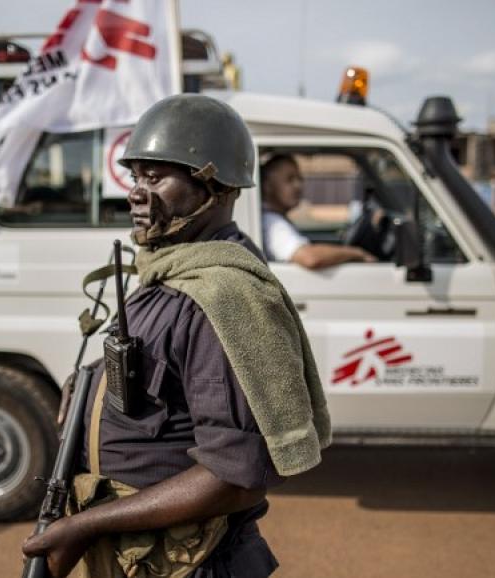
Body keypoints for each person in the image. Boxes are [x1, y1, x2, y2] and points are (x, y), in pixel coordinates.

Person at [22, 94, 330, 578]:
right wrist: (89, 386)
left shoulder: (223, 297)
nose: (137, 193)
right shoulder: (167, 271)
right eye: (136, 177)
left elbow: (237, 477)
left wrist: (88, 525)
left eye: (157, 177)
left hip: (192, 563)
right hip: (145, 558)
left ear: (216, 185)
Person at [260, 153, 375, 268]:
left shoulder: (275, 219)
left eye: (299, 178)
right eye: (289, 179)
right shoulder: (273, 223)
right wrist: (357, 253)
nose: (298, 185)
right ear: (268, 186)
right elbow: (310, 258)